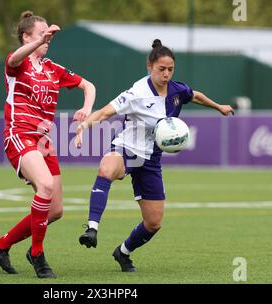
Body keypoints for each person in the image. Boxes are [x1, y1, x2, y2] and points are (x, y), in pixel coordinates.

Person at [75, 39, 234, 272]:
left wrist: (218, 106)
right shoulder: (136, 93)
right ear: (150, 66)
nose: (166, 74)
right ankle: (92, 228)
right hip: (127, 149)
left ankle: (123, 252)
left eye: (170, 69)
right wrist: (84, 126)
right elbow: (105, 111)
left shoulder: (177, 90)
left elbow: (196, 95)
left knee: (154, 222)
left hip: (151, 160)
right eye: (162, 69)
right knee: (106, 169)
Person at [0, 11, 95, 279]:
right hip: (19, 135)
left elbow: (89, 86)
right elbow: (13, 58)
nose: (48, 38)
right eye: (42, 34)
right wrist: (37, 42)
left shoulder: (53, 69)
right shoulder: (18, 64)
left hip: (44, 143)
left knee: (55, 210)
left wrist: (86, 108)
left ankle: (1, 246)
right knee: (45, 186)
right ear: (26, 36)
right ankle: (37, 253)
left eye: (49, 35)